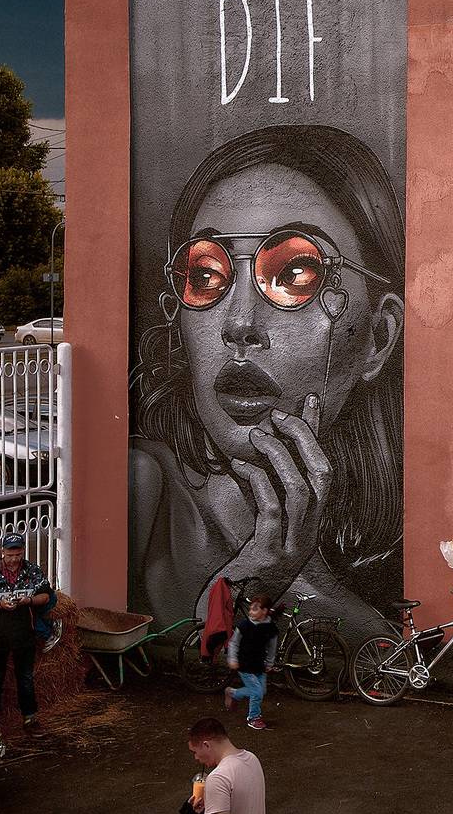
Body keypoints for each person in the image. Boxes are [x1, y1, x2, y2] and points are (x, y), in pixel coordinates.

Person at [130, 125, 406, 644]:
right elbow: (190, 671)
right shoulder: (138, 488)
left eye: (296, 273)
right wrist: (246, 579)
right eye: (206, 275)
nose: (239, 324)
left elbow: (393, 666)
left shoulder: (390, 533)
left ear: (379, 337)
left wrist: (294, 574)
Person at [0, 533, 52, 740]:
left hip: (23, 633)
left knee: (26, 678)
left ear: (23, 551)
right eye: (10, 554)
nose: (14, 559)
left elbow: (46, 595)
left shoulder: (31, 570)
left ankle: (30, 719)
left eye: (18, 554)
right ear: (2, 552)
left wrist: (28, 601)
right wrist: (0, 604)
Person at [185, 716, 265, 814]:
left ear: (206, 745)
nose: (196, 757)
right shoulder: (252, 758)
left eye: (195, 752)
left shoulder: (218, 778)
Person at [223, 594, 277, 731]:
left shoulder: (271, 628)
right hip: (245, 664)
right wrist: (232, 659)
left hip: (259, 665)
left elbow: (272, 647)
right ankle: (254, 718)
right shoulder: (244, 625)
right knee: (257, 692)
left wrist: (269, 663)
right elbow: (234, 643)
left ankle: (233, 693)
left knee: (261, 691)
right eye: (250, 609)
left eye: (254, 609)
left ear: (264, 611)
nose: (250, 612)